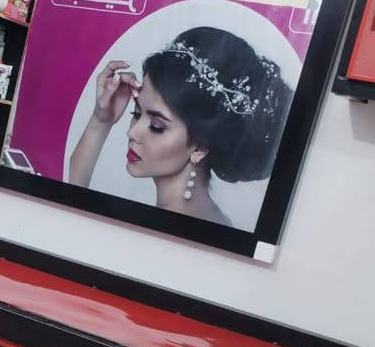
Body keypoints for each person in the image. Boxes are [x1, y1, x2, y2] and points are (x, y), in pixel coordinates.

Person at [68, 26, 294, 227]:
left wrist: (99, 125)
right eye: (136, 113)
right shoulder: (201, 215)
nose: (132, 132)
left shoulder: (166, 227)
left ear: (200, 147)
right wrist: (102, 119)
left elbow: (71, 225)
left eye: (156, 126)